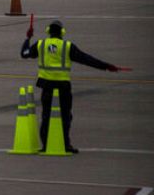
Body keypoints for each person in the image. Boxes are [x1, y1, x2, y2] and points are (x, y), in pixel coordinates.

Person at [21, 19, 119, 154]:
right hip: (63, 86)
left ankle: (46, 146)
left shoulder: (40, 44)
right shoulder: (67, 46)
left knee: (46, 116)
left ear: (48, 32)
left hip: (46, 85)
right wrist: (106, 66)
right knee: (65, 115)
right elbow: (87, 59)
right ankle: (66, 144)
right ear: (62, 32)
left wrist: (28, 37)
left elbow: (24, 53)